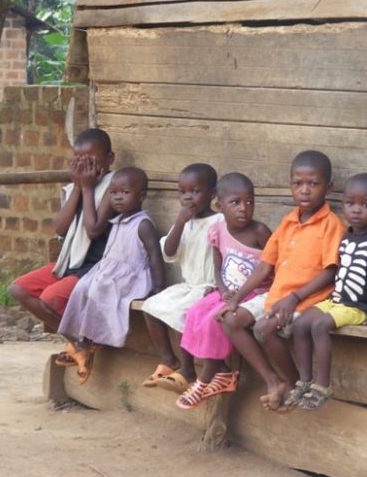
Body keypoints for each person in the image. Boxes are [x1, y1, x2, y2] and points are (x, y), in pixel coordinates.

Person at [217, 150, 346, 411]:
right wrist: (237, 298)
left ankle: (296, 384)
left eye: (313, 183)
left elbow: (330, 271)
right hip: (279, 296)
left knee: (264, 329)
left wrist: (295, 297)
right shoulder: (287, 223)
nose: (305, 191)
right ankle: (277, 382)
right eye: (298, 184)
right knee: (230, 319)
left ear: (328, 187)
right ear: (290, 186)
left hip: (307, 299)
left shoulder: (331, 224)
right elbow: (265, 266)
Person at [292, 173, 367, 410]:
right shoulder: (348, 235)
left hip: (359, 307)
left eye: (365, 205)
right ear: (343, 205)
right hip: (338, 300)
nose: (356, 210)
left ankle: (322, 385)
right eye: (351, 204)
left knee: (319, 326)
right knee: (299, 323)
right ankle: (304, 380)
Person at [55, 167, 166, 384]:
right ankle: (78, 340)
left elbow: (154, 255)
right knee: (81, 289)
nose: (117, 198)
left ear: (141, 196)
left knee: (100, 291)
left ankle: (89, 342)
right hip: (108, 273)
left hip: (131, 278)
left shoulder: (142, 224)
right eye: (113, 193)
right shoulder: (117, 221)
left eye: (124, 193)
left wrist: (159, 287)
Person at [176, 173, 271, 409]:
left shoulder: (260, 232)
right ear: (219, 206)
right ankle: (221, 371)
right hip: (229, 291)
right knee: (195, 312)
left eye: (250, 202)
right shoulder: (218, 231)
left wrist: (236, 297)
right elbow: (218, 267)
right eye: (236, 202)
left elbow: (272, 267)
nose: (244, 208)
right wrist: (222, 289)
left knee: (214, 320)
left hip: (256, 293)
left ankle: (203, 380)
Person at [9, 128, 116, 333]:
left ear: (110, 159)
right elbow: (60, 227)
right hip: (69, 264)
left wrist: (87, 188)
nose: (85, 167)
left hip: (95, 267)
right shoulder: (73, 188)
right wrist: (78, 187)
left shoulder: (114, 187)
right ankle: (76, 339)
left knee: (51, 297)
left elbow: (93, 231)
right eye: (78, 160)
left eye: (91, 160)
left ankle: (83, 340)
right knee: (19, 289)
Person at [140, 163, 223, 392]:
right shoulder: (185, 224)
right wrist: (179, 222)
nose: (188, 197)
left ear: (213, 194)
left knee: (180, 313)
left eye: (195, 191)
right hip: (189, 286)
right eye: (183, 191)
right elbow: (168, 252)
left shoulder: (220, 222)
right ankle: (169, 360)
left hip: (211, 288)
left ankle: (188, 370)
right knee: (150, 307)